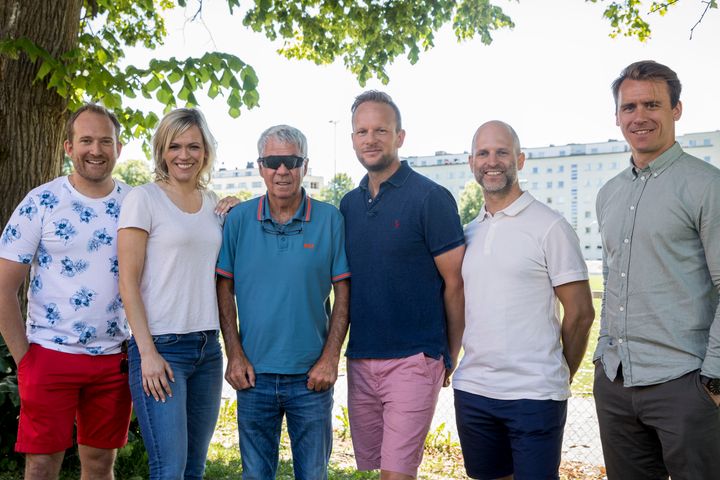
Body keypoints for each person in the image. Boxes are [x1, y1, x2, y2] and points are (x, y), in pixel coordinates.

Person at [594, 60, 720, 479]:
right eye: (629, 107)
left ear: (676, 110)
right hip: (615, 382)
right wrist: (602, 354)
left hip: (685, 385)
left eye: (652, 104)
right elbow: (613, 278)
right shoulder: (609, 194)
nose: (639, 116)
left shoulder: (706, 186)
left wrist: (714, 380)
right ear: (617, 116)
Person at [452, 121, 595, 480]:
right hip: (475, 391)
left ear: (520, 159)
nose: (492, 161)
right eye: (483, 153)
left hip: (535, 395)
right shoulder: (468, 232)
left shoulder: (550, 226)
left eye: (502, 152)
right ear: (471, 163)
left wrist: (557, 375)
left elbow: (580, 314)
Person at [0, 104, 132, 480]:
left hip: (113, 359)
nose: (96, 149)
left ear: (118, 148)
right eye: (86, 140)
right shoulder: (41, 202)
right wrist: (26, 360)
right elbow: (2, 287)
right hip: (49, 355)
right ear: (68, 147)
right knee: (41, 466)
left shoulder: (136, 204)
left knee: (100, 464)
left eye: (105, 141)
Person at [339, 91, 465, 480]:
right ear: (353, 138)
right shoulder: (347, 205)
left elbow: (455, 284)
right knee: (377, 470)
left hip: (414, 358)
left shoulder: (431, 198)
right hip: (361, 359)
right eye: (362, 131)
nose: (371, 139)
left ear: (400, 136)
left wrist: (449, 354)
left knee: (398, 473)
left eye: (381, 130)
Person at [216, 124, 350, 480]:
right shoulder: (239, 219)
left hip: (311, 378)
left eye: (291, 161)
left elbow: (344, 294)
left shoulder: (330, 219)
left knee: (313, 475)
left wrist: (330, 358)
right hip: (253, 376)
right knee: (256, 475)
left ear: (304, 165)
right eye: (273, 161)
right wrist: (235, 354)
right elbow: (223, 288)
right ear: (260, 166)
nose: (282, 171)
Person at [117, 108, 238, 479]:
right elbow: (127, 282)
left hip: (207, 348)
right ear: (162, 150)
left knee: (194, 469)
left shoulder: (212, 202)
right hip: (162, 348)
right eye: (175, 146)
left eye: (193, 146)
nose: (184, 155)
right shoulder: (144, 199)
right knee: (169, 469)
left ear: (205, 152)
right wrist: (147, 352)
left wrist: (238, 210)